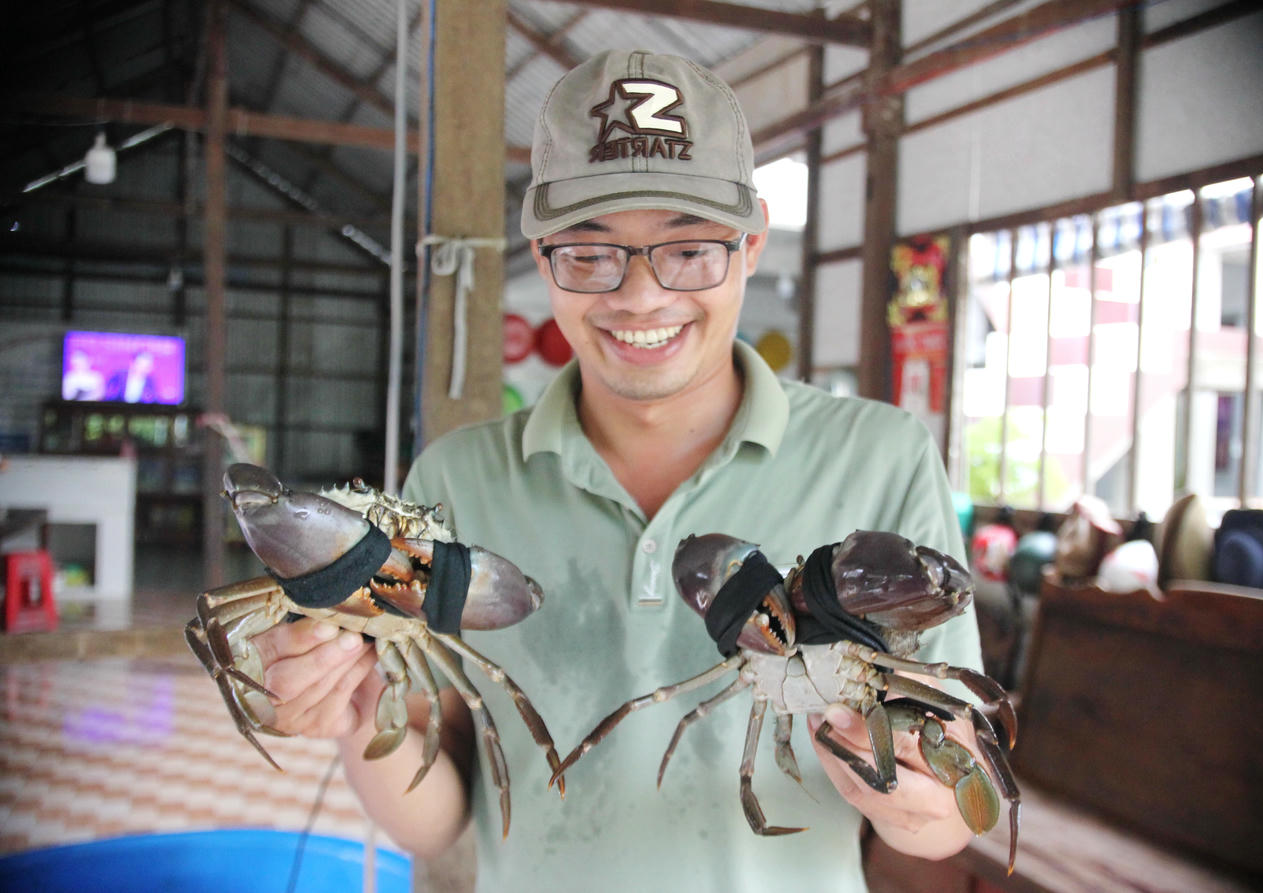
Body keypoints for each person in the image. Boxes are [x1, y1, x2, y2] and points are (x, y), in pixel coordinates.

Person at [250, 49, 987, 891]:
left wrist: (917, 804)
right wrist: (355, 723)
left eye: (689, 250)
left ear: (751, 244)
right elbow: (444, 813)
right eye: (591, 255)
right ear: (541, 251)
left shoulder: (880, 458)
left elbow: (948, 813)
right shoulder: (459, 480)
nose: (640, 297)